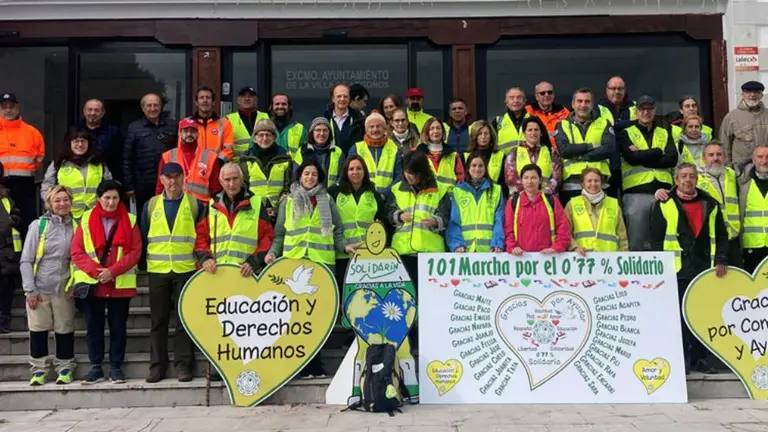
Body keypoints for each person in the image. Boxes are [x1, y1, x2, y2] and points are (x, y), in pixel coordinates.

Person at [266, 161, 347, 378]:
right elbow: (280, 234)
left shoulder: (327, 199)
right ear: (299, 176)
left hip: (322, 263)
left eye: (314, 174)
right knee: (297, 318)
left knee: (317, 318)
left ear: (319, 178)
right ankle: (301, 364)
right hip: (295, 264)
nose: (310, 177)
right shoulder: (289, 201)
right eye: (306, 173)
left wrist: (345, 246)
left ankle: (316, 363)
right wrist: (273, 252)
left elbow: (337, 230)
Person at [650, 163, 728, 374]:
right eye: (683, 176)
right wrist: (659, 266)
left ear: (696, 179)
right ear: (676, 180)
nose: (687, 180)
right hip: (676, 268)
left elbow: (721, 235)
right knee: (678, 317)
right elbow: (655, 238)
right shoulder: (664, 203)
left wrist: (721, 258)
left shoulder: (709, 203)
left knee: (702, 316)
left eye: (692, 176)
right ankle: (681, 358)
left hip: (704, 267)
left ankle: (700, 359)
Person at [143, 162, 209, 383]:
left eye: (176, 177)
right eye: (167, 177)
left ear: (184, 179)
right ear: (161, 180)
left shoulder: (194, 205)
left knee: (183, 320)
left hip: (185, 269)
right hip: (158, 270)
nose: (172, 182)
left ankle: (183, 366)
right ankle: (157, 367)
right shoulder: (151, 205)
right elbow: (144, 235)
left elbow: (201, 236)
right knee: (158, 321)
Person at [71, 180, 141, 384]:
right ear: (98, 199)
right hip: (94, 283)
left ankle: (116, 367)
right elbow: (77, 251)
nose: (111, 202)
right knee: (94, 326)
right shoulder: (85, 219)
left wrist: (113, 271)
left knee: (118, 326)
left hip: (119, 283)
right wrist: (97, 272)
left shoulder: (130, 219)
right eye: (107, 198)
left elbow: (135, 251)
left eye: (115, 198)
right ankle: (96, 367)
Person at [655, 141, 741, 267]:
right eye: (711, 155)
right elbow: (681, 187)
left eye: (719, 154)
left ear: (725, 157)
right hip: (710, 239)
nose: (715, 158)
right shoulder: (696, 177)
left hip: (732, 236)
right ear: (703, 158)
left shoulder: (732, 175)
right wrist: (660, 191)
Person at [21, 186, 75, 385]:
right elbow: (26, 259)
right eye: (57, 200)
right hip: (40, 287)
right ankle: (39, 370)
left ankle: (65, 368)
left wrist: (74, 283)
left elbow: (78, 258)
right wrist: (30, 290)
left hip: (64, 287)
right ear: (50, 204)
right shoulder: (38, 226)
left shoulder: (76, 226)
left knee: (64, 329)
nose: (62, 204)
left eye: (66, 200)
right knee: (38, 330)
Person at [619, 95, 677, 251]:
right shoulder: (626, 133)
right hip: (636, 193)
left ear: (655, 111)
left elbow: (672, 159)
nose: (646, 112)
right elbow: (631, 158)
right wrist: (658, 152)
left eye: (650, 109)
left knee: (664, 240)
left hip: (664, 193)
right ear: (636, 112)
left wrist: (643, 156)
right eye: (642, 109)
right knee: (636, 241)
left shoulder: (664, 132)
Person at [385, 151, 451, 288]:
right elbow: (388, 212)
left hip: (431, 253)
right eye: (406, 172)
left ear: (422, 172)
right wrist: (398, 216)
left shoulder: (440, 190)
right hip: (402, 251)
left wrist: (436, 221)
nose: (408, 176)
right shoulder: (396, 189)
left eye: (413, 173)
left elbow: (446, 216)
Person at [201, 162, 274, 280]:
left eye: (235, 178)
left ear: (242, 179)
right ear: (221, 182)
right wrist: (205, 258)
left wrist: (254, 262)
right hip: (218, 273)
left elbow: (267, 237)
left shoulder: (255, 203)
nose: (231, 183)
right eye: (227, 179)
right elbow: (200, 237)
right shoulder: (212, 204)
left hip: (246, 274)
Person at [328, 156, 388, 290]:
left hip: (368, 255)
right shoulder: (334, 193)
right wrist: (343, 246)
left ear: (365, 171)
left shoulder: (374, 195)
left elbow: (382, 222)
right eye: (351, 169)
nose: (355, 172)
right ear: (346, 172)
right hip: (342, 254)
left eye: (359, 168)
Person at [555, 88, 615, 203]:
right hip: (572, 184)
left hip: (598, 183)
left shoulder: (603, 123)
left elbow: (609, 149)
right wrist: (591, 146)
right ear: (573, 104)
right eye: (579, 101)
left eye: (587, 101)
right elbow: (564, 151)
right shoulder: (562, 125)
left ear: (592, 104)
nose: (583, 105)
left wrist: (580, 156)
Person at [123, 93, 178, 221]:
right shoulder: (134, 128)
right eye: (149, 105)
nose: (152, 108)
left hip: (169, 180)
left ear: (161, 107)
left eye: (156, 105)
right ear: (143, 108)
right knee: (145, 217)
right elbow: (127, 158)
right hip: (143, 182)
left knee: (168, 216)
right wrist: (129, 185)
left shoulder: (173, 125)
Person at [40, 129, 113, 221]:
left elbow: (109, 188)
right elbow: (46, 189)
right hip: (66, 217)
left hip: (95, 216)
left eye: (83, 141)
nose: (80, 144)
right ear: (69, 143)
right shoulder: (59, 164)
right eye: (76, 141)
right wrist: (55, 207)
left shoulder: (98, 163)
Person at [0, 93, 45, 233]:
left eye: (11, 107)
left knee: (28, 224)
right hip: (0, 185)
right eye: (4, 107)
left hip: (25, 186)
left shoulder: (32, 132)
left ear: (17, 108)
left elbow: (39, 158)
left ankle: (27, 254)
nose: (8, 110)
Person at [504, 164, 571, 255]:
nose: (529, 181)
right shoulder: (513, 202)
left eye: (534, 178)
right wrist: (512, 246)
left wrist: (557, 247)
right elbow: (508, 230)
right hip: (521, 258)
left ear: (540, 180)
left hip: (548, 257)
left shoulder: (551, 200)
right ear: (521, 181)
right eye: (526, 178)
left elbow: (563, 227)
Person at [446, 152, 505, 252]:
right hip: (464, 250)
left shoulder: (496, 190)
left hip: (490, 250)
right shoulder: (458, 191)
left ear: (485, 168)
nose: (477, 169)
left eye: (481, 166)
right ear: (468, 168)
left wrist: (497, 243)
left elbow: (499, 220)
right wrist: (457, 244)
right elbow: (454, 221)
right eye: (474, 165)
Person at [156, 119, 222, 203]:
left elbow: (215, 188)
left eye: (193, 131)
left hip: (202, 208)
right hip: (175, 205)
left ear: (198, 134)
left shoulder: (211, 157)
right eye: (185, 131)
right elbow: (160, 186)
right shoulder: (167, 156)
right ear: (179, 133)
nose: (189, 134)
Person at [564, 168, 628, 254]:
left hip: (610, 260)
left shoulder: (614, 204)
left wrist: (625, 255)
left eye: (596, 180)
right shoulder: (572, 204)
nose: (593, 184)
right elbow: (565, 232)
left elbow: (622, 235)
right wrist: (574, 247)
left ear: (601, 183)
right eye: (589, 181)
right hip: (582, 259)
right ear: (582, 184)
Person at [239, 118, 292, 214]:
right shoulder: (246, 160)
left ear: (274, 138)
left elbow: (288, 186)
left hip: (279, 212)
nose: (264, 138)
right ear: (254, 138)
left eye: (268, 135)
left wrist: (277, 208)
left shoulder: (285, 158)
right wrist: (259, 208)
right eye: (261, 135)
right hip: (254, 211)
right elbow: (243, 188)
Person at [596, 76, 636, 191]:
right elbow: (604, 131)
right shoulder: (597, 108)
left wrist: (615, 125)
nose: (617, 92)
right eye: (613, 88)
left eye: (620, 88)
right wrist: (629, 123)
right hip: (609, 164)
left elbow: (639, 126)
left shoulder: (635, 106)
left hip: (631, 164)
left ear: (625, 90)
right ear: (607, 90)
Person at [504, 117, 561, 196]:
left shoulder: (551, 152)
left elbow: (557, 178)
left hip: (545, 198)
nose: (533, 133)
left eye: (536, 130)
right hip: (520, 199)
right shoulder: (514, 152)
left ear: (541, 133)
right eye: (530, 130)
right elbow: (510, 178)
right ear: (524, 133)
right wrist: (528, 195)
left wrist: (542, 194)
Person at [348, 112, 402, 193]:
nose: (375, 129)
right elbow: (350, 175)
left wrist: (384, 194)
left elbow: (399, 177)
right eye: (371, 127)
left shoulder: (395, 148)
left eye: (378, 126)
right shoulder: (356, 148)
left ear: (384, 129)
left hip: (389, 200)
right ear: (366, 130)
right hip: (363, 198)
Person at [720, 81, 768, 166]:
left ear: (761, 95)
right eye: (748, 92)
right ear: (743, 95)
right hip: (742, 169)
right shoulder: (732, 117)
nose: (752, 95)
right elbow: (724, 144)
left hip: (765, 166)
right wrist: (728, 167)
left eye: (756, 92)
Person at [78, 99, 123, 182]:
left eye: (97, 110)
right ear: (84, 111)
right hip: (80, 178)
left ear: (103, 113)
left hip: (108, 179)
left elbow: (120, 159)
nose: (92, 113)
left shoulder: (113, 131)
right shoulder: (75, 130)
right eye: (89, 109)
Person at [739, 144, 768, 272]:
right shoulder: (743, 185)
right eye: (760, 157)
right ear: (753, 159)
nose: (764, 161)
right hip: (752, 246)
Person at [0, 161, 21, 333]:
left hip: (6, 252)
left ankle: (4, 320)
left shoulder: (6, 196)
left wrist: (13, 219)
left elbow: (16, 214)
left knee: (6, 287)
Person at [292, 117, 343, 188]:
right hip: (307, 196)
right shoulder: (302, 151)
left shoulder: (338, 152)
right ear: (312, 132)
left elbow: (342, 178)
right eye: (318, 130)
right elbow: (295, 177)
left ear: (330, 133)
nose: (322, 133)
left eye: (325, 130)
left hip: (331, 195)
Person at [415, 117, 464, 191]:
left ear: (443, 131)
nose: (436, 131)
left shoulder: (453, 155)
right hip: (427, 198)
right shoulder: (419, 154)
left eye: (438, 128)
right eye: (432, 129)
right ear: (426, 132)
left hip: (449, 198)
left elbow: (461, 179)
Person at [189, 86, 235, 162]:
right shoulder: (187, 124)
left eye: (208, 98)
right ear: (196, 102)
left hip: (217, 167)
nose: (205, 100)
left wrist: (218, 162)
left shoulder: (224, 123)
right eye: (201, 98)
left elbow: (229, 149)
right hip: (193, 168)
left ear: (213, 102)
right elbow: (182, 149)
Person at [226, 86, 269, 157]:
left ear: (256, 100)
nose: (247, 99)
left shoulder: (266, 117)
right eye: (243, 96)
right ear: (238, 100)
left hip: (261, 163)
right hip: (238, 164)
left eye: (250, 96)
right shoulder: (228, 119)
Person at [525, 81, 569, 149]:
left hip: (560, 155)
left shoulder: (564, 112)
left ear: (553, 94)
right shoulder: (527, 111)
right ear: (536, 96)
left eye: (550, 92)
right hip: (537, 154)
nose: (546, 95)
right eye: (542, 93)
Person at [324, 84, 364, 155]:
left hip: (353, 164)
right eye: (339, 96)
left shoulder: (360, 121)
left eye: (345, 96)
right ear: (333, 98)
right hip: (331, 164)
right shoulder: (324, 120)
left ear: (349, 99)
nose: (342, 99)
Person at [465, 120, 505, 186]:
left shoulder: (501, 156)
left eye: (486, 133)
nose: (483, 137)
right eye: (480, 133)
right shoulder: (465, 156)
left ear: (491, 136)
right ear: (475, 136)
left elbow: (503, 183)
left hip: (494, 194)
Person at [493, 88, 530, 155]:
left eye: (519, 97)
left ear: (524, 101)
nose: (515, 100)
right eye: (511, 98)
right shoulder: (498, 121)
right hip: (504, 162)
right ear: (506, 102)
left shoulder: (532, 120)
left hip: (527, 162)